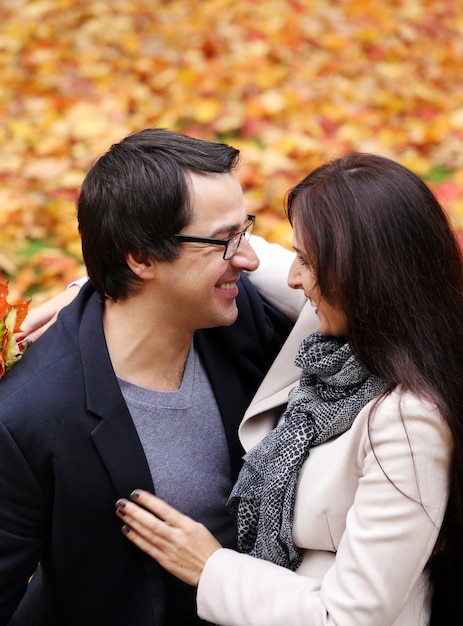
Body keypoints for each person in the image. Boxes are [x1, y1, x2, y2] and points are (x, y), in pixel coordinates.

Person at [114, 153, 463, 626]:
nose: (295, 278)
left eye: (307, 260)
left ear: (364, 276)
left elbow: (349, 618)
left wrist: (210, 566)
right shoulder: (353, 335)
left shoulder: (407, 421)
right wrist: (103, 283)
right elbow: (203, 255)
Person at [0, 128, 308, 626]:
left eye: (244, 230)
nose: (248, 259)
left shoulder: (244, 317)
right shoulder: (28, 417)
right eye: (226, 241)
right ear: (140, 257)